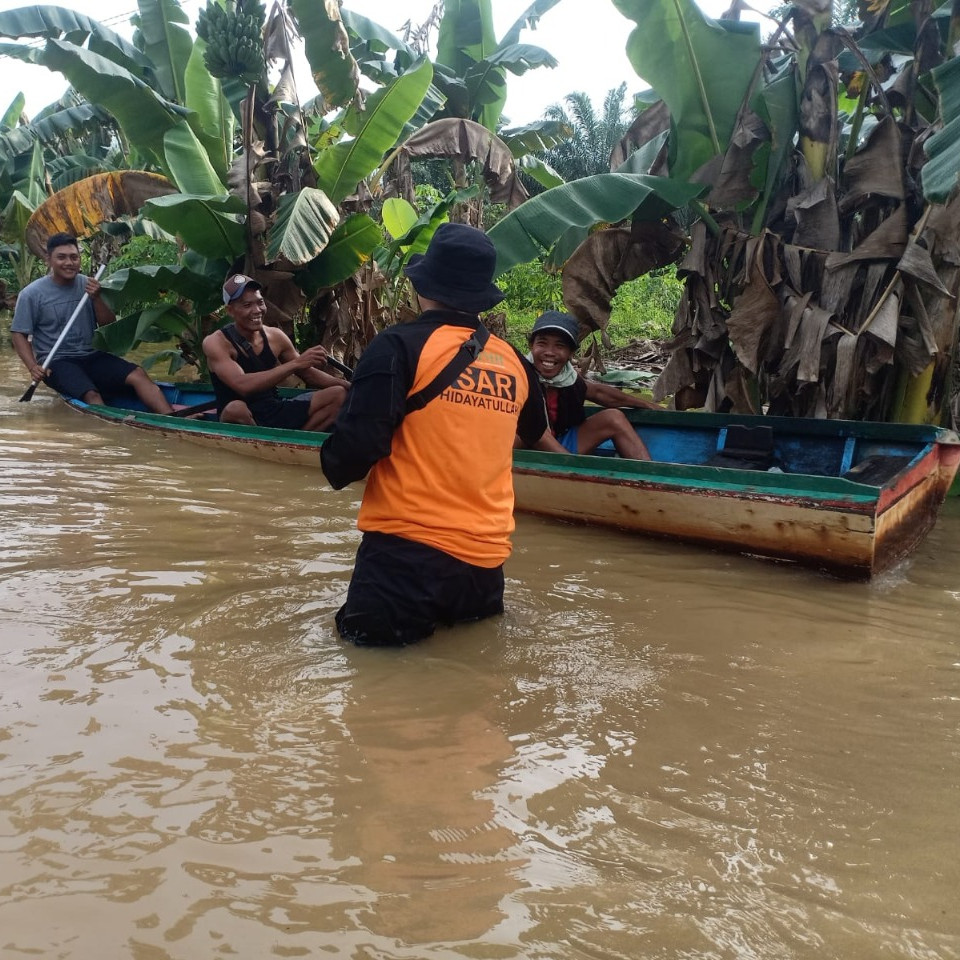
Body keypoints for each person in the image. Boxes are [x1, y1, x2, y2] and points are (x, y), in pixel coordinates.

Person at [320, 222, 548, 647]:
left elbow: (353, 453)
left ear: (423, 286)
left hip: (402, 559)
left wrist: (329, 457)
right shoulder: (515, 361)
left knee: (370, 681)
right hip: (483, 570)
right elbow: (534, 430)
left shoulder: (397, 346)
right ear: (481, 295)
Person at [11, 233, 174, 414]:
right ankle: (110, 436)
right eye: (61, 257)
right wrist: (33, 367)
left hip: (92, 356)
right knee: (91, 395)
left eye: (74, 257)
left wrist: (97, 298)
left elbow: (108, 324)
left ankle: (173, 418)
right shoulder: (31, 294)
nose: (69, 262)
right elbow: (19, 334)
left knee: (138, 375)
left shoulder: (89, 286)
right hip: (57, 361)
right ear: (48, 260)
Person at [202, 274, 347, 431]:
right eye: (247, 305)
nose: (257, 310)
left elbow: (308, 374)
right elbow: (242, 385)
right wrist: (296, 363)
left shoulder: (275, 336)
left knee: (339, 394)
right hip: (241, 416)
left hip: (272, 408)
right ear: (230, 311)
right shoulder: (216, 342)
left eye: (260, 302)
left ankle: (294, 443)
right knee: (235, 408)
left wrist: (349, 385)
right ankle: (267, 443)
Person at [525, 310, 659, 460]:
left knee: (614, 417)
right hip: (522, 446)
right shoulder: (517, 373)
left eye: (559, 346)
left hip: (558, 441)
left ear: (571, 353)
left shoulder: (568, 378)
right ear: (531, 346)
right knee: (520, 427)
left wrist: (647, 405)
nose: (549, 352)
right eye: (542, 344)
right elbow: (532, 430)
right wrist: (568, 462)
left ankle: (648, 477)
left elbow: (599, 393)